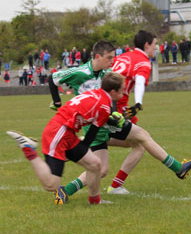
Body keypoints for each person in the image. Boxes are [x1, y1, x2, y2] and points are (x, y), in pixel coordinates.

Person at [51, 32, 191, 198]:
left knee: (106, 165)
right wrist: (137, 104)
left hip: (101, 119)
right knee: (142, 136)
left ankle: (66, 190)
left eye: (112, 58)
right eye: (109, 58)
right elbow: (138, 83)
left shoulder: (107, 68)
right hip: (106, 118)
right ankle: (179, 168)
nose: (112, 61)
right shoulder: (88, 72)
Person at [7, 71, 126, 205]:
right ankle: (29, 149)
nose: (124, 93)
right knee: (51, 185)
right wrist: (84, 147)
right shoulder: (105, 105)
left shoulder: (96, 93)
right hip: (59, 131)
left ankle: (95, 201)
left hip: (66, 131)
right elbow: (94, 130)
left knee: (95, 164)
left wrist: (82, 148)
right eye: (122, 90)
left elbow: (91, 116)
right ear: (113, 92)